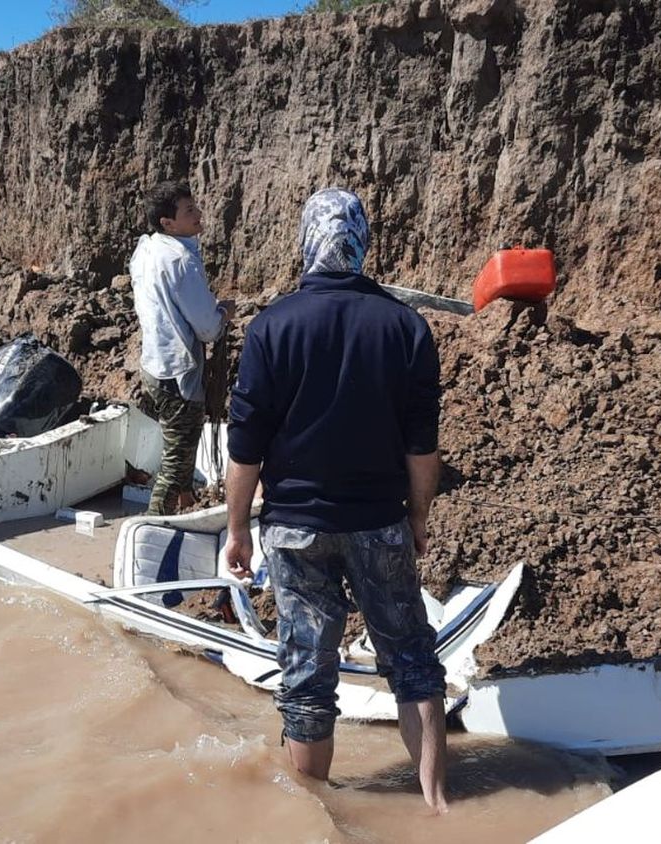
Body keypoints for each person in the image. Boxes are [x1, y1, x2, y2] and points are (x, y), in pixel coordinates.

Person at [222, 188, 448, 812]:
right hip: (379, 522)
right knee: (411, 660)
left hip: (295, 529)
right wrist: (420, 517)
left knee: (306, 675)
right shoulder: (406, 326)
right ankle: (436, 807)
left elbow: (246, 446)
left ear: (306, 242)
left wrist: (237, 528)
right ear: (361, 242)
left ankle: (320, 816)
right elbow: (421, 447)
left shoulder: (272, 326)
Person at [129, 181, 230, 515]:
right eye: (189, 211)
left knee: (182, 445)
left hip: (154, 365)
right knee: (177, 456)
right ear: (167, 224)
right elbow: (207, 327)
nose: (198, 214)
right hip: (176, 371)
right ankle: (154, 523)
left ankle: (187, 503)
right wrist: (224, 312)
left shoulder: (147, 249)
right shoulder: (180, 262)